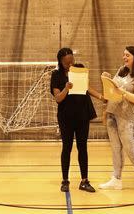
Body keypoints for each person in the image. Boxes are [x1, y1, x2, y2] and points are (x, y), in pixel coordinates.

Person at [50, 47, 105, 193]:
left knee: (83, 147)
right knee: (66, 148)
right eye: (66, 62)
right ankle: (65, 180)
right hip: (66, 117)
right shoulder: (56, 75)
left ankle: (84, 181)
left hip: (82, 114)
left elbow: (86, 87)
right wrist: (66, 88)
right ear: (61, 62)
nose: (70, 64)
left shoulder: (79, 69)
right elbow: (58, 98)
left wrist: (100, 96)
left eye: (71, 61)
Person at [99, 46, 134, 193]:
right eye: (123, 55)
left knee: (131, 149)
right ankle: (116, 179)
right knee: (116, 149)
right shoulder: (122, 70)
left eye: (127, 55)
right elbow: (112, 89)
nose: (124, 57)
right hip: (112, 114)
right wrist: (107, 79)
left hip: (128, 118)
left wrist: (123, 93)